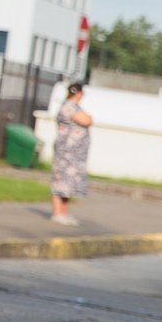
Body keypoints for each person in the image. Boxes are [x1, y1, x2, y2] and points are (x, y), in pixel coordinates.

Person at [49, 80, 94, 225]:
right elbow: (87, 120)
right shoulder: (69, 107)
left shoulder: (72, 106)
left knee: (68, 183)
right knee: (61, 181)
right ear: (80, 93)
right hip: (66, 153)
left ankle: (63, 212)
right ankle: (58, 213)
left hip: (72, 154)